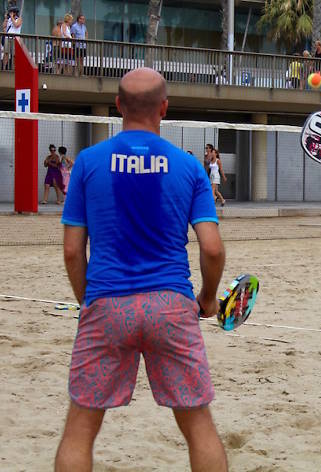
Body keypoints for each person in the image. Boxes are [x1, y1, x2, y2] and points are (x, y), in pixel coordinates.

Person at [55, 68, 228, 471]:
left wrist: (90, 300)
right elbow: (213, 250)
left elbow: (71, 251)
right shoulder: (188, 167)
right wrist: (206, 298)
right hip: (170, 305)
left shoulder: (88, 162)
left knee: (80, 428)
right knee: (199, 425)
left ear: (118, 106)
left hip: (107, 304)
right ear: (164, 109)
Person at [2, 6, 22, 70]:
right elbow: (4, 27)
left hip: (15, 38)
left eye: (11, 12)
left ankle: (14, 69)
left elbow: (16, 25)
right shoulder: (9, 19)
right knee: (6, 53)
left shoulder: (19, 19)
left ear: (15, 13)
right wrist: (6, 19)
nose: (10, 13)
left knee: (14, 54)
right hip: (8, 37)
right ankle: (4, 67)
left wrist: (12, 18)